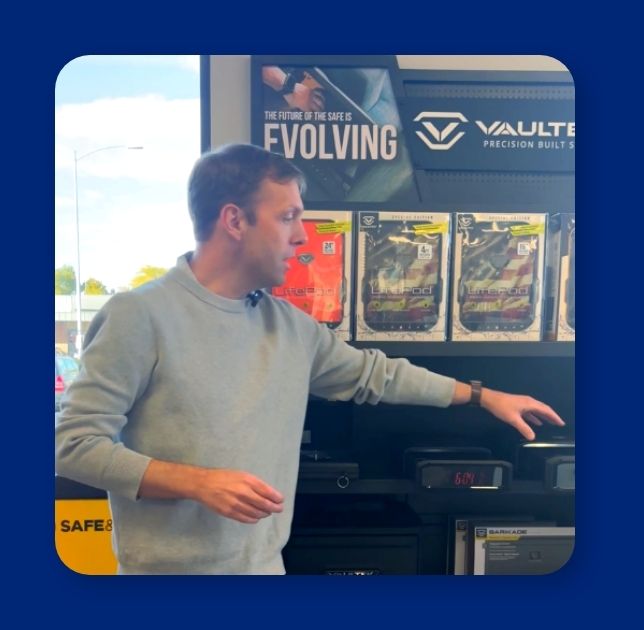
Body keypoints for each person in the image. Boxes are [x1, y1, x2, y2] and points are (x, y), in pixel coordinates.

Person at [54, 144, 565, 575]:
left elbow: (377, 376)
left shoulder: (290, 326)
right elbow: (72, 444)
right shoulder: (139, 315)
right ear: (234, 219)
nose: (302, 236)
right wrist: (198, 481)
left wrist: (483, 395)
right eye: (288, 217)